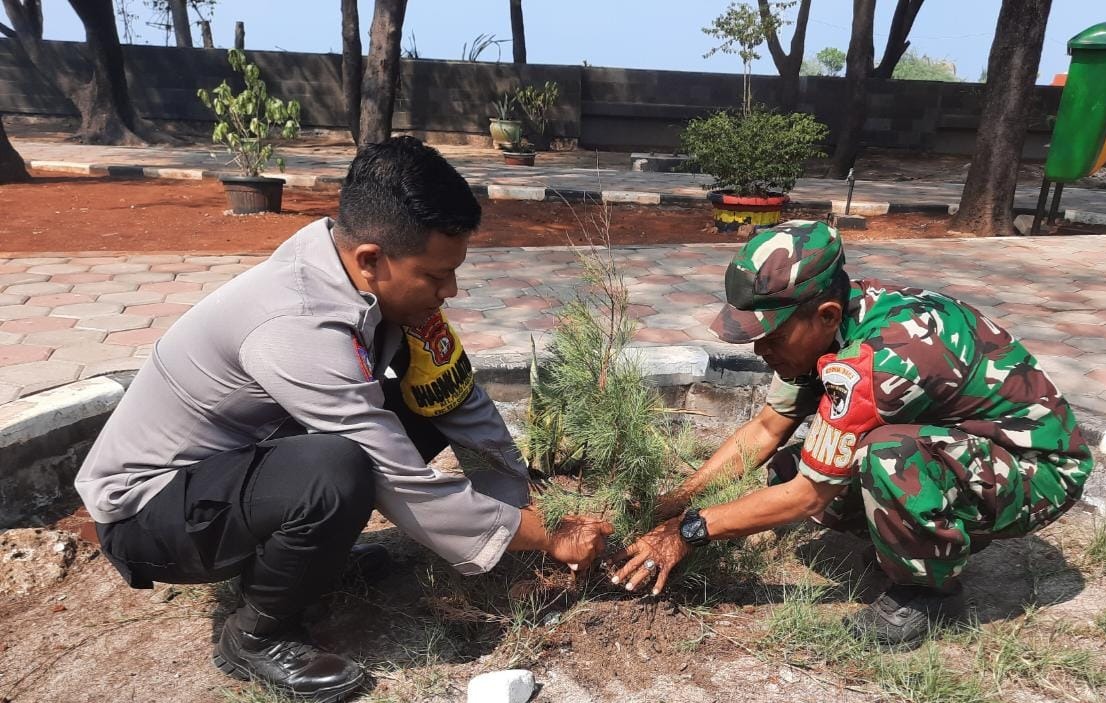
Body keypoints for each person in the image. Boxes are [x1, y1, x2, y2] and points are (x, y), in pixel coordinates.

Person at [75, 137, 611, 702]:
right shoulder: (296, 323)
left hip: (236, 472)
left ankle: (309, 558)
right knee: (337, 467)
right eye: (435, 276)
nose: (449, 291)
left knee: (412, 408)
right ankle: (258, 635)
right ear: (371, 259)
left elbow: (459, 402)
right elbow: (397, 476)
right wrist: (548, 537)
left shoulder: (373, 287)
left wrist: (515, 503)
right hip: (152, 510)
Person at [611, 220, 1093, 648]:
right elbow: (765, 429)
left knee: (886, 456)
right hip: (969, 448)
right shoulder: (834, 317)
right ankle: (923, 537)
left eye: (772, 336)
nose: (761, 349)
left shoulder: (881, 357)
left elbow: (807, 497)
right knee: (791, 463)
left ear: (825, 315)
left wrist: (689, 530)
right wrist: (675, 500)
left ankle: (927, 594)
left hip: (1038, 470)